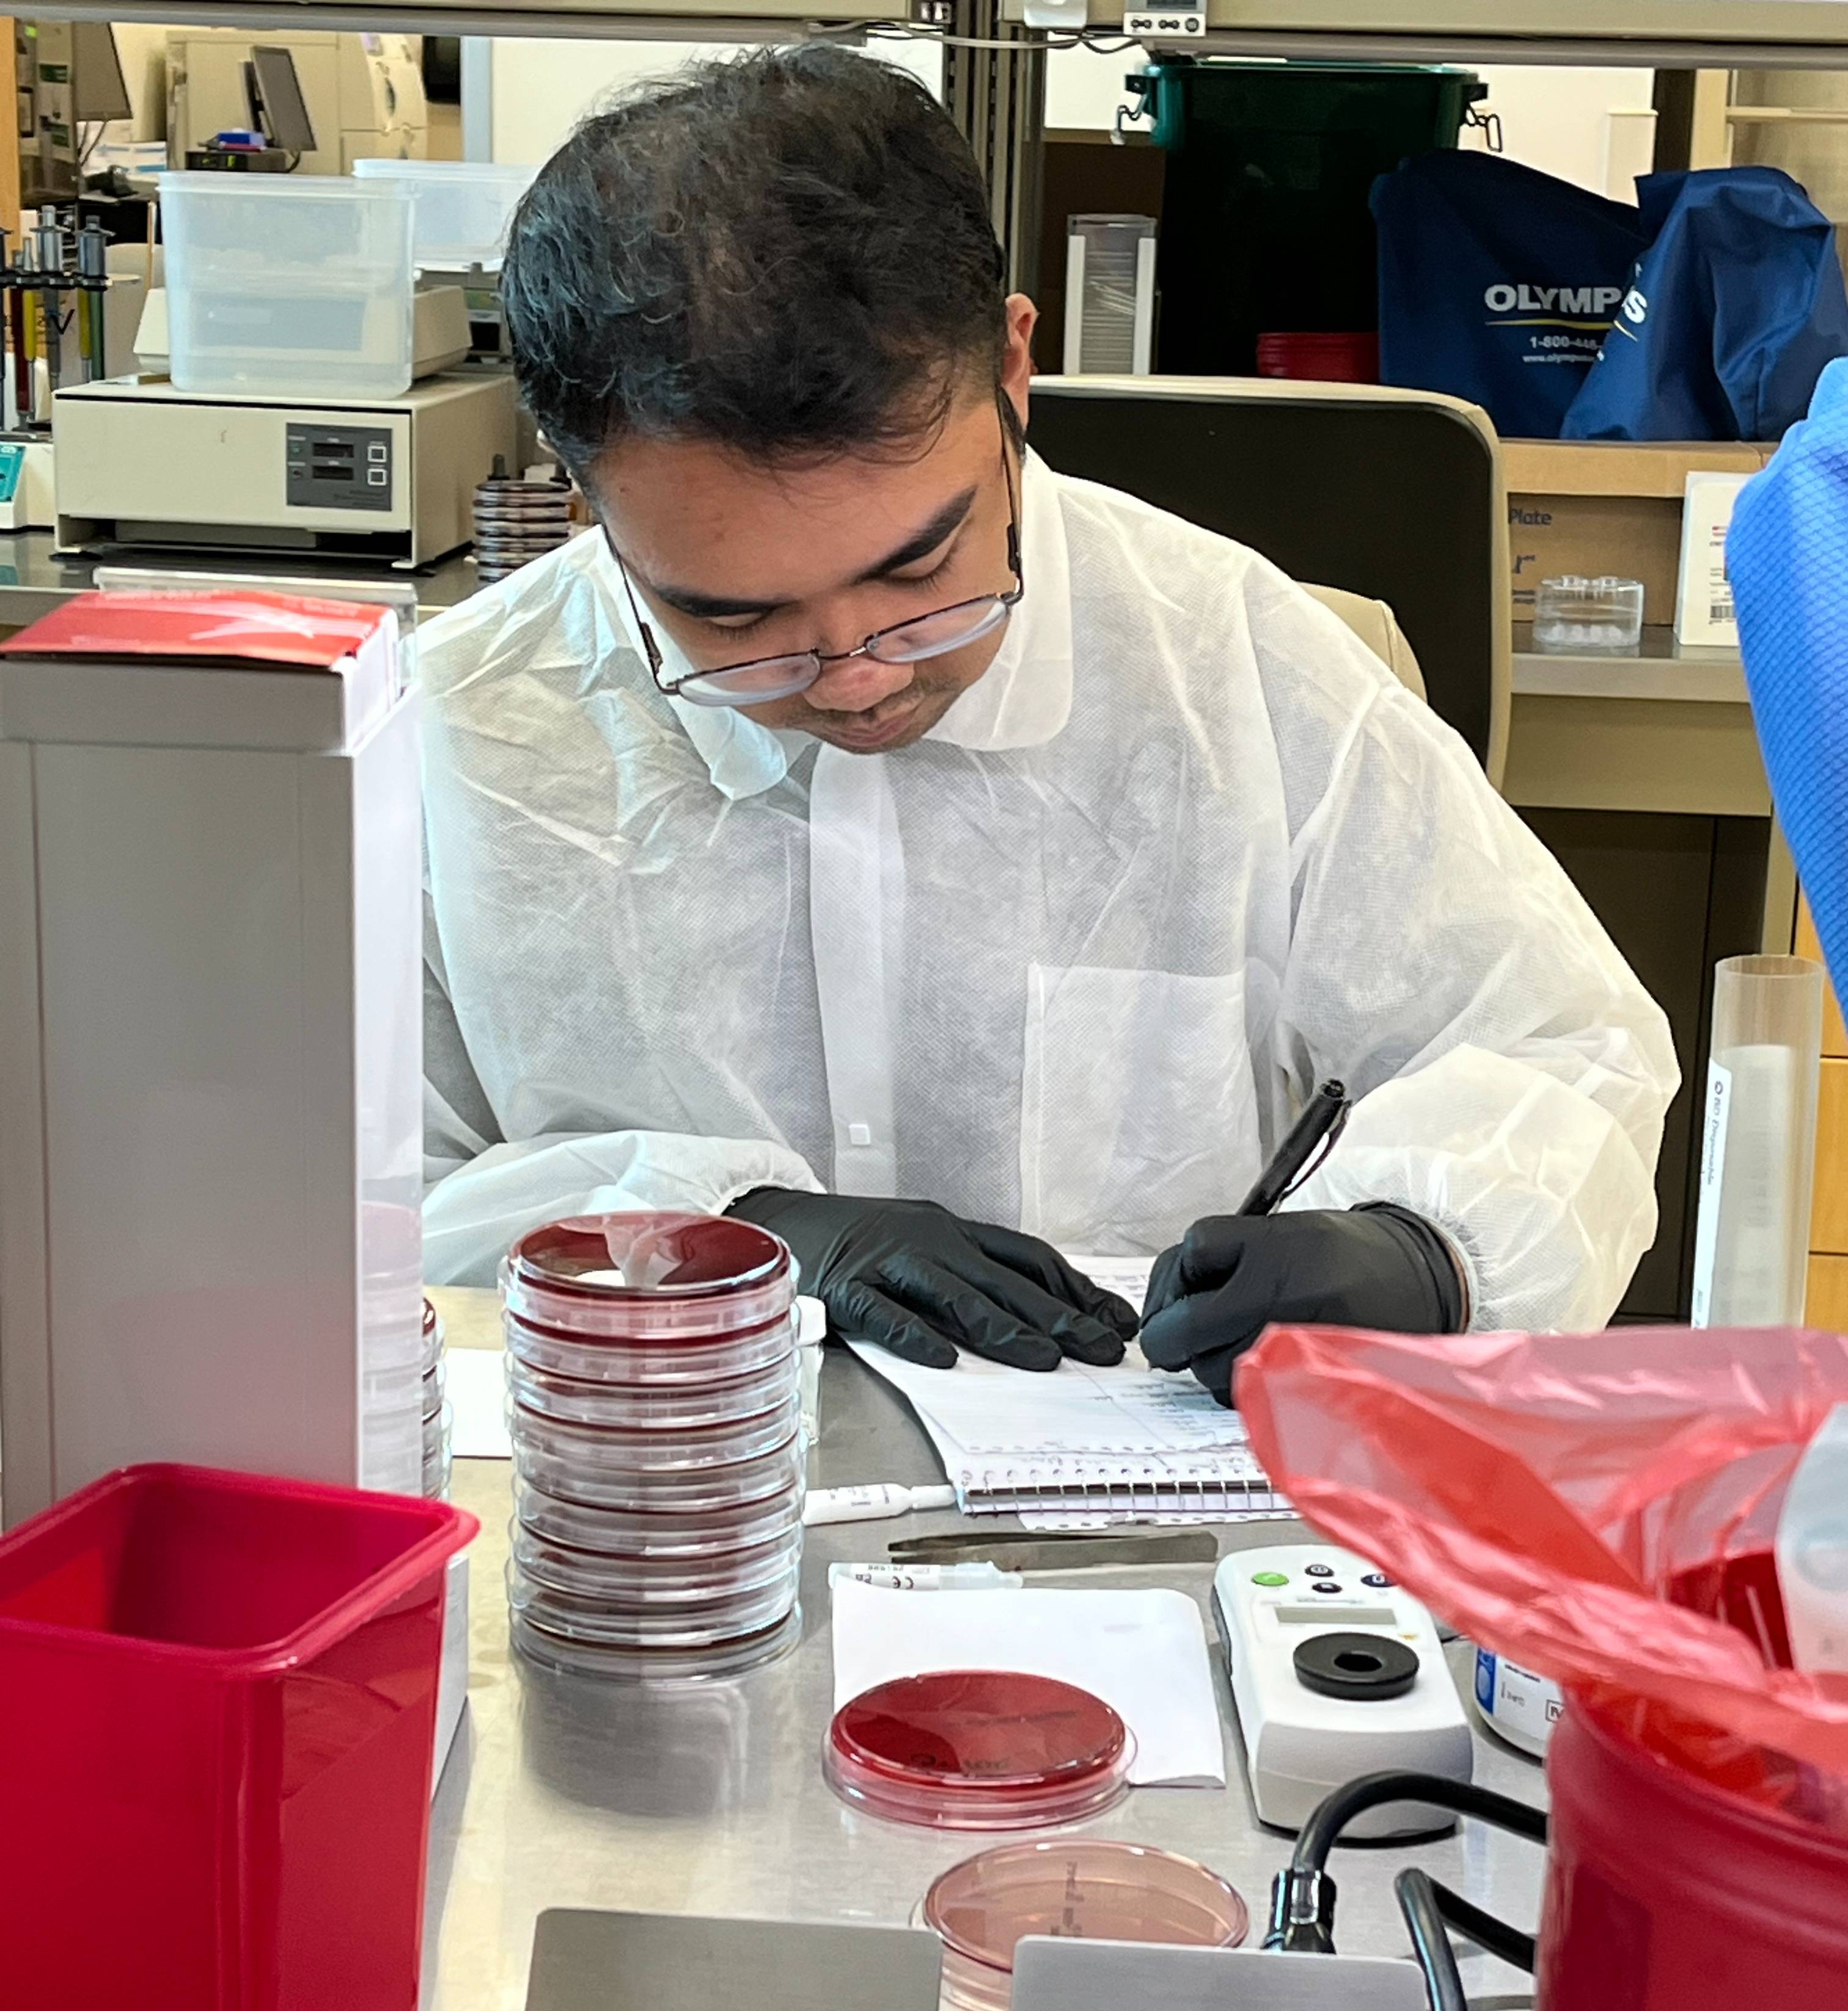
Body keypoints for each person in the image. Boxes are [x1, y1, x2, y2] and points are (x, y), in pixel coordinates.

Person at [418, 46, 1678, 1401]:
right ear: (586, 500)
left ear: (1014, 373)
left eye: (918, 572)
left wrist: (1423, 1247)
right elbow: (322, 1201)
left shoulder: (1238, 666)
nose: (850, 673)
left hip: (1148, 1527)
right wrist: (716, 1233)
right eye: (734, 619)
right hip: (650, 1509)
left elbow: (1561, 1047)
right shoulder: (458, 732)